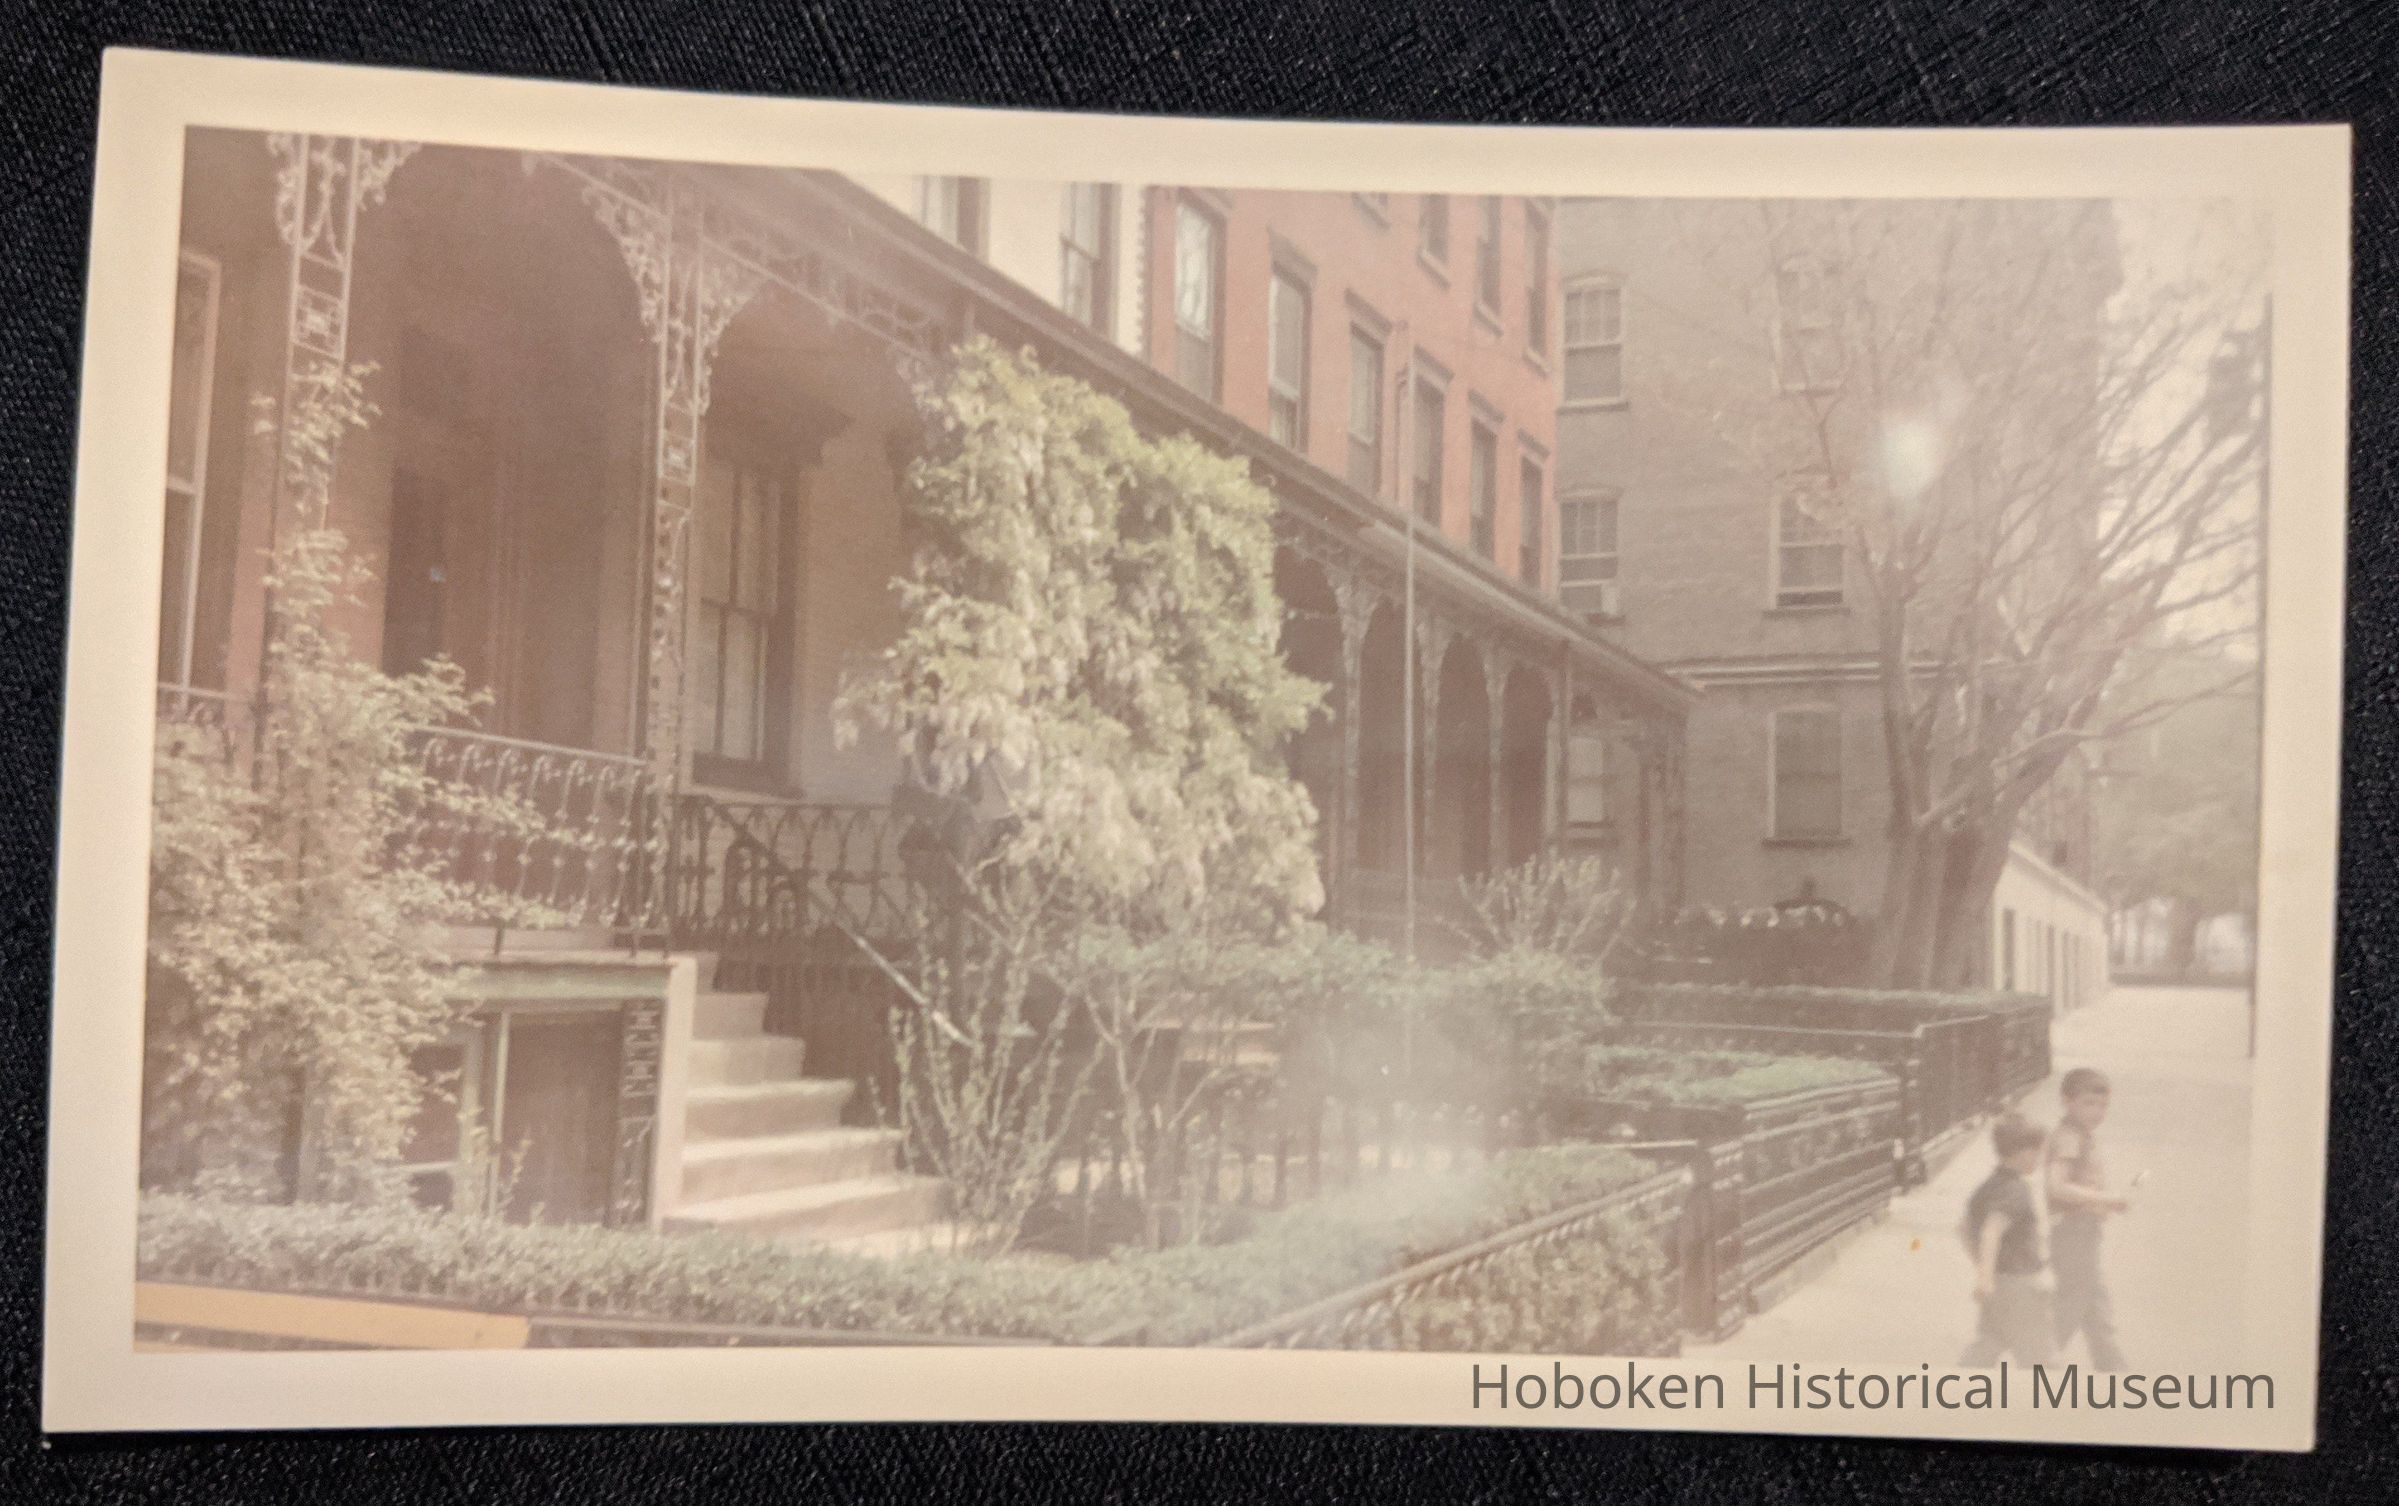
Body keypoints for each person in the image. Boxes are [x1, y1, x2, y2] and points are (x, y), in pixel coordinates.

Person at [2047, 1066, 2132, 1370]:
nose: (2097, 1112)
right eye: (2089, 1103)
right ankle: (2037, 1363)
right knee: (2072, 1304)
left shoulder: (2081, 1135)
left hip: (2084, 1232)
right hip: (2073, 1234)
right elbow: (2056, 1186)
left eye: (2103, 1105)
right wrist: (2105, 1200)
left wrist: (2106, 1204)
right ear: (2067, 1101)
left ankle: (2114, 1370)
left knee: (2095, 1309)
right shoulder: (2069, 1138)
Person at [1958, 1113, 2056, 1367]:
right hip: (2019, 1285)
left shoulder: (1985, 1188)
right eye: (2036, 1153)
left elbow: (1963, 1229)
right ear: (2021, 1152)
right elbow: (1991, 1231)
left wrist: (1985, 1269)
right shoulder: (2015, 1190)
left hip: (2000, 1282)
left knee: (1989, 1343)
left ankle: (1953, 1385)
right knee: (2039, 1357)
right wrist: (1985, 1276)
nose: (2039, 1159)